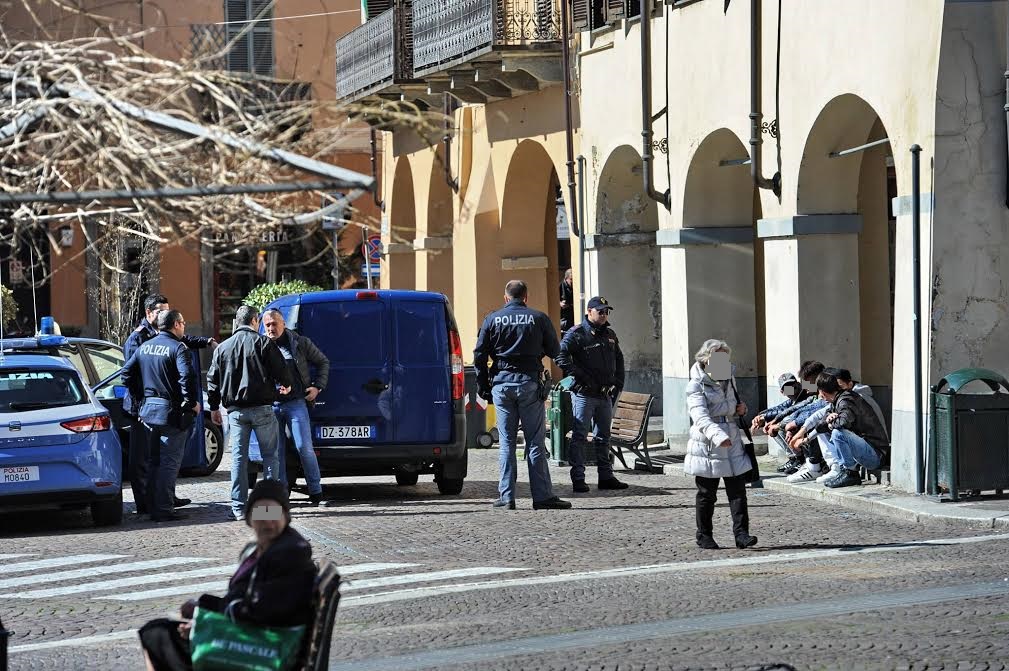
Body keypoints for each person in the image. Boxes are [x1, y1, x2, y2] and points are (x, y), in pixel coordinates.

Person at [138, 479, 317, 671]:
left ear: (285, 516)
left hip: (265, 647)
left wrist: (203, 623)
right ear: (249, 518)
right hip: (258, 635)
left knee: (156, 633)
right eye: (261, 513)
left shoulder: (288, 553)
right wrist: (203, 607)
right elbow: (252, 604)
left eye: (273, 513)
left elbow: (260, 612)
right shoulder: (265, 548)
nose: (267, 521)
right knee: (157, 630)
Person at [473, 280, 571, 511]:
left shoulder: (492, 319)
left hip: (502, 384)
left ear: (506, 298)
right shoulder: (538, 318)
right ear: (526, 297)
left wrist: (483, 385)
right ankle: (542, 496)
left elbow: (479, 354)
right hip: (529, 383)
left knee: (506, 442)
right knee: (535, 442)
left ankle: (507, 497)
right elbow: (555, 352)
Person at [123, 293, 215, 514]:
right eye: (160, 310)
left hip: (151, 409)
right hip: (148, 409)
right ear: (149, 313)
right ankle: (154, 506)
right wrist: (189, 403)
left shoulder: (154, 340)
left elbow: (127, 373)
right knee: (157, 461)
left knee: (157, 459)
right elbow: (185, 377)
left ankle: (161, 501)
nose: (163, 313)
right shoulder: (138, 339)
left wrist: (207, 341)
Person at [207, 305, 293, 521]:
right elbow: (282, 370)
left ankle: (238, 508)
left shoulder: (222, 348)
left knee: (238, 459)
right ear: (255, 321)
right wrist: (286, 385)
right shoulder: (263, 343)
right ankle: (270, 509)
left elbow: (212, 380)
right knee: (270, 458)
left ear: (237, 322)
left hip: (236, 412)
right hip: (263, 408)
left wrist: (215, 406)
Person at [683, 339, 757, 550]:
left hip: (732, 439)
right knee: (707, 493)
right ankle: (704, 535)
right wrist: (717, 436)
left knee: (738, 491)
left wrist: (739, 410)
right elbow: (700, 416)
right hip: (708, 443)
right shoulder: (696, 385)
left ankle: (742, 534)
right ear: (707, 360)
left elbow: (731, 407)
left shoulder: (729, 379)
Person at [555, 295, 628, 493]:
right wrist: (581, 376)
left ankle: (606, 476)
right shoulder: (577, 333)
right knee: (579, 436)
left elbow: (619, 359)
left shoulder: (609, 334)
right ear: (589, 312)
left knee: (603, 437)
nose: (604, 315)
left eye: (606, 311)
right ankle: (578, 478)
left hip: (604, 394)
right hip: (584, 394)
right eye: (600, 311)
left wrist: (618, 382)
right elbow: (560, 356)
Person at [262, 308, 329, 506]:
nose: (271, 328)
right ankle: (282, 493)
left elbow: (323, 362)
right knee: (278, 451)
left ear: (283, 323)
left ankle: (316, 491)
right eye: (267, 325)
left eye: (274, 324)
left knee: (303, 447)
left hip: (296, 403)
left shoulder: (299, 342)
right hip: (272, 406)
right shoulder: (261, 344)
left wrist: (318, 387)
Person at [810, 369, 890, 488]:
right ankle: (841, 469)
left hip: (875, 455)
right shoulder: (836, 400)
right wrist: (827, 418)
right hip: (865, 451)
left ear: (823, 392)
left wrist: (830, 424)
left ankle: (851, 473)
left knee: (838, 433)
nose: (820, 396)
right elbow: (820, 425)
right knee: (829, 430)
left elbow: (844, 422)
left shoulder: (847, 399)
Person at [559, 268, 575, 333]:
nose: (573, 282)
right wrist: (559, 303)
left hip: (573, 316)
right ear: (566, 278)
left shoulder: (576, 287)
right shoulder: (559, 286)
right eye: (571, 279)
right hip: (564, 319)